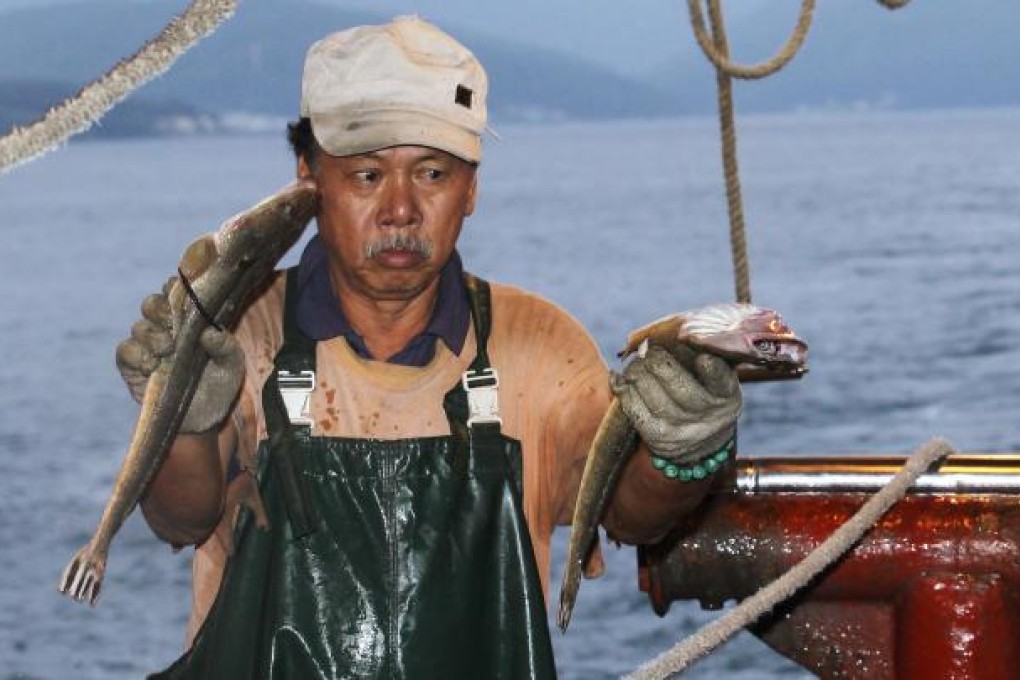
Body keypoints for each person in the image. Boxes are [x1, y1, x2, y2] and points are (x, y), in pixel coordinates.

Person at [118, 16, 741, 679]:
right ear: (307, 180)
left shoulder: (538, 346)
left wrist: (684, 453)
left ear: (471, 187)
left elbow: (628, 511)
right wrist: (186, 415)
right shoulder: (240, 333)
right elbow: (181, 520)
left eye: (433, 173)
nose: (400, 209)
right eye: (366, 175)